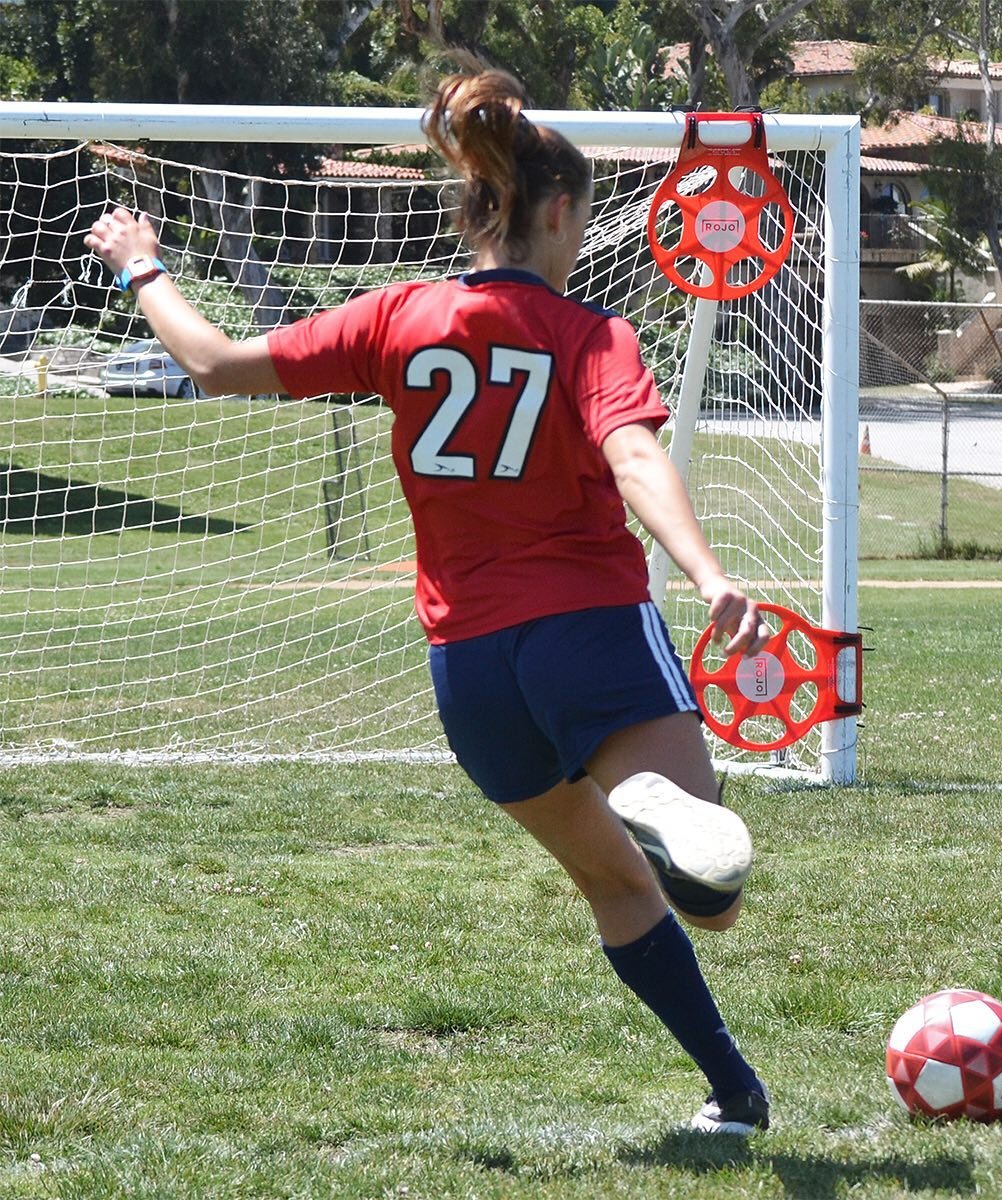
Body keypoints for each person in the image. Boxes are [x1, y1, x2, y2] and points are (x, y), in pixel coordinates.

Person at [84, 69, 771, 1135]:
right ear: (556, 211)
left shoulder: (399, 318)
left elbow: (215, 364)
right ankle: (650, 797)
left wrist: (144, 267)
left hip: (469, 667)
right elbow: (634, 456)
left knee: (617, 889)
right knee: (711, 899)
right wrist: (709, 572)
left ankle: (735, 1098)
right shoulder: (594, 338)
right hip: (589, 632)